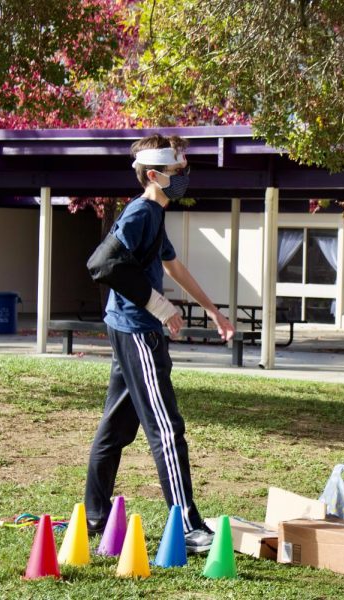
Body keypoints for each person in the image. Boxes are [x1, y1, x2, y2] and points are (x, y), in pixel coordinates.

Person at [84, 133, 234, 554]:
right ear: (153, 175)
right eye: (177, 171)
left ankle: (95, 516)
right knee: (167, 429)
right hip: (137, 331)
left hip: (129, 326)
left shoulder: (155, 214)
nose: (184, 176)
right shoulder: (141, 213)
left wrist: (213, 311)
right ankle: (187, 526)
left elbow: (172, 265)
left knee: (115, 428)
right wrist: (159, 305)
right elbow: (101, 263)